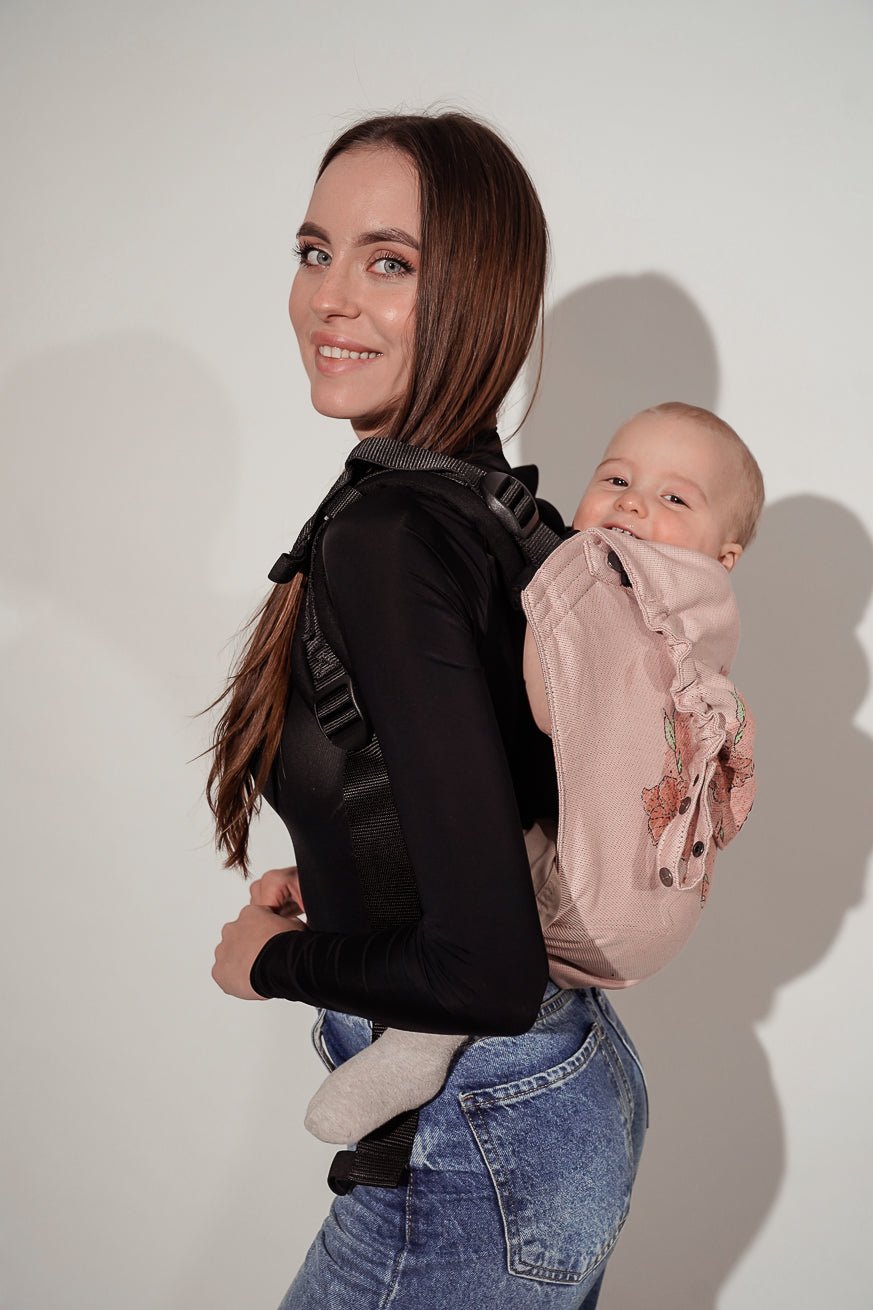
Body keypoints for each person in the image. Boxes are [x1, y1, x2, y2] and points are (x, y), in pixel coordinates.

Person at [210, 111, 647, 1310]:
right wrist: (351, 876)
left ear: (478, 295)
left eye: (389, 262)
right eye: (315, 252)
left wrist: (271, 961)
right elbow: (476, 805)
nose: (331, 298)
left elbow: (486, 968)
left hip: (473, 1136)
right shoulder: (496, 509)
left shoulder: (389, 533)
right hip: (547, 1094)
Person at [300, 400, 765, 1146]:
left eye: (674, 499)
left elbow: (552, 705)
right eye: (616, 479)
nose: (632, 504)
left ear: (724, 554)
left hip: (575, 914)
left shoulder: (609, 583)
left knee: (473, 873)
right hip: (646, 907)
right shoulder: (703, 611)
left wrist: (550, 592)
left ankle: (421, 1045)